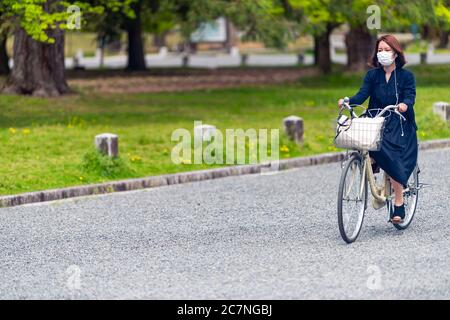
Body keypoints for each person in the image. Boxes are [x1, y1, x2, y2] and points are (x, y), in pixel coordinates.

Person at [338, 34, 418, 224]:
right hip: (376, 119)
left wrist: (405, 105)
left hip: (399, 122)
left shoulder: (406, 76)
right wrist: (348, 101)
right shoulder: (372, 75)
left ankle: (398, 203)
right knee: (363, 143)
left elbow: (410, 95)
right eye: (380, 50)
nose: (383, 53)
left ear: (396, 53)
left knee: (393, 158)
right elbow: (362, 94)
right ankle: (375, 178)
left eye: (387, 50)